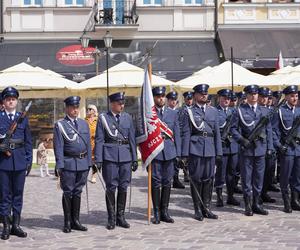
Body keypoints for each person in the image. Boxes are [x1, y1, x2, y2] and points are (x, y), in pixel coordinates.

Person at [94, 92, 138, 230]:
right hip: (110, 157)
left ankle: (121, 217)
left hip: (125, 156)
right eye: (119, 103)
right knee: (111, 187)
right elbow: (99, 140)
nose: (122, 105)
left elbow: (132, 139)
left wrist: (134, 158)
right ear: (112, 104)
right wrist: (99, 159)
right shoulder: (104, 118)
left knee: (123, 187)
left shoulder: (128, 118)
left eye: (123, 103)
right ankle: (111, 218)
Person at [231, 85, 274, 216]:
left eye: (255, 94)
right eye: (251, 94)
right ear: (247, 95)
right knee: (247, 178)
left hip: (261, 149)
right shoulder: (239, 110)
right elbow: (233, 129)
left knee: (259, 178)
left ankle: (257, 203)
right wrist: (242, 140)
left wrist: (270, 147)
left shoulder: (264, 111)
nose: (254, 96)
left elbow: (269, 131)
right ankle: (248, 204)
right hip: (247, 150)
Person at [181, 84, 222, 221]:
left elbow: (217, 133)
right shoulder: (189, 112)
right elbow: (186, 133)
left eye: (206, 93)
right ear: (195, 95)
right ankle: (197, 209)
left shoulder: (213, 111)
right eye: (201, 93)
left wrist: (219, 152)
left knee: (209, 179)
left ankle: (207, 208)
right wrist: (184, 154)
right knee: (196, 179)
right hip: (195, 149)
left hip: (210, 149)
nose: (204, 95)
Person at [53, 96, 92, 233]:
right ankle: (67, 221)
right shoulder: (61, 125)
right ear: (67, 108)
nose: (75, 110)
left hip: (82, 163)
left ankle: (76, 220)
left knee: (78, 192)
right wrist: (59, 165)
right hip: (69, 163)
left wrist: (89, 163)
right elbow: (58, 146)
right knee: (68, 192)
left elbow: (88, 145)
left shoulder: (83, 124)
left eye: (77, 107)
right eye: (73, 107)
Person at [0, 87, 33, 240]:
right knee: (5, 195)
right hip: (3, 162)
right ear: (4, 102)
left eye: (13, 99)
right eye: (8, 99)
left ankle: (16, 225)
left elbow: (28, 141)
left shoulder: (22, 118)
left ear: (16, 101)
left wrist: (28, 161)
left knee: (18, 195)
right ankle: (6, 225)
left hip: (19, 161)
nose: (11, 101)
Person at [149, 86, 181, 224]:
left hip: (169, 150)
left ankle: (165, 211)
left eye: (162, 96)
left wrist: (179, 153)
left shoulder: (173, 113)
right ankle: (156, 212)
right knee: (156, 182)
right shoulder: (149, 113)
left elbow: (177, 134)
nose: (160, 98)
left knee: (167, 181)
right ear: (154, 98)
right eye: (158, 96)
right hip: (155, 151)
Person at [273, 85, 300, 213]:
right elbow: (274, 131)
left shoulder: (299, 111)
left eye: (296, 96)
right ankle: (286, 202)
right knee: (285, 176)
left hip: (298, 148)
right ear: (287, 97)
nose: (295, 98)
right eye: (292, 96)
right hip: (287, 148)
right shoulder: (280, 111)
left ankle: (295, 201)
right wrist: (279, 146)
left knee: (297, 176)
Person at [215, 89, 240, 207]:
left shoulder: (234, 111)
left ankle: (230, 196)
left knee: (232, 173)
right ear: (219, 98)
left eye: (228, 98)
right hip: (222, 147)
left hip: (233, 147)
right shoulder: (215, 111)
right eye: (224, 98)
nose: (226, 100)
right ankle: (219, 197)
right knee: (220, 173)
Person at [258, 87, 277, 204]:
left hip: (269, 145)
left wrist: (271, 147)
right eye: (264, 97)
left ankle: (263, 192)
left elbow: (271, 131)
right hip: (257, 145)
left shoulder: (272, 110)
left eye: (268, 97)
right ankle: (256, 195)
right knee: (258, 173)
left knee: (268, 172)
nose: (266, 100)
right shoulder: (254, 110)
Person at [166, 91, 184, 189]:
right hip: (169, 139)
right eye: (171, 100)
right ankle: (170, 179)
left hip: (179, 137)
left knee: (177, 160)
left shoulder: (180, 111)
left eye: (175, 100)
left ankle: (176, 179)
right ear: (168, 101)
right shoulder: (166, 112)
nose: (173, 101)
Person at [178, 91, 194, 183]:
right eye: (188, 99)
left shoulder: (195, 109)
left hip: (194, 135)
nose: (189, 101)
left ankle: (191, 173)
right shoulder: (181, 110)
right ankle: (186, 174)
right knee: (185, 156)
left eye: (191, 99)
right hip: (185, 135)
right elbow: (180, 124)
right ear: (184, 99)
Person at [85, 104, 98, 184]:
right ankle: (84, 174)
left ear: (94, 111)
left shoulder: (98, 120)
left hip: (95, 143)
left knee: (94, 161)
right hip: (86, 143)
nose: (88, 111)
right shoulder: (84, 120)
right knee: (86, 160)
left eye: (90, 109)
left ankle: (93, 176)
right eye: (88, 109)